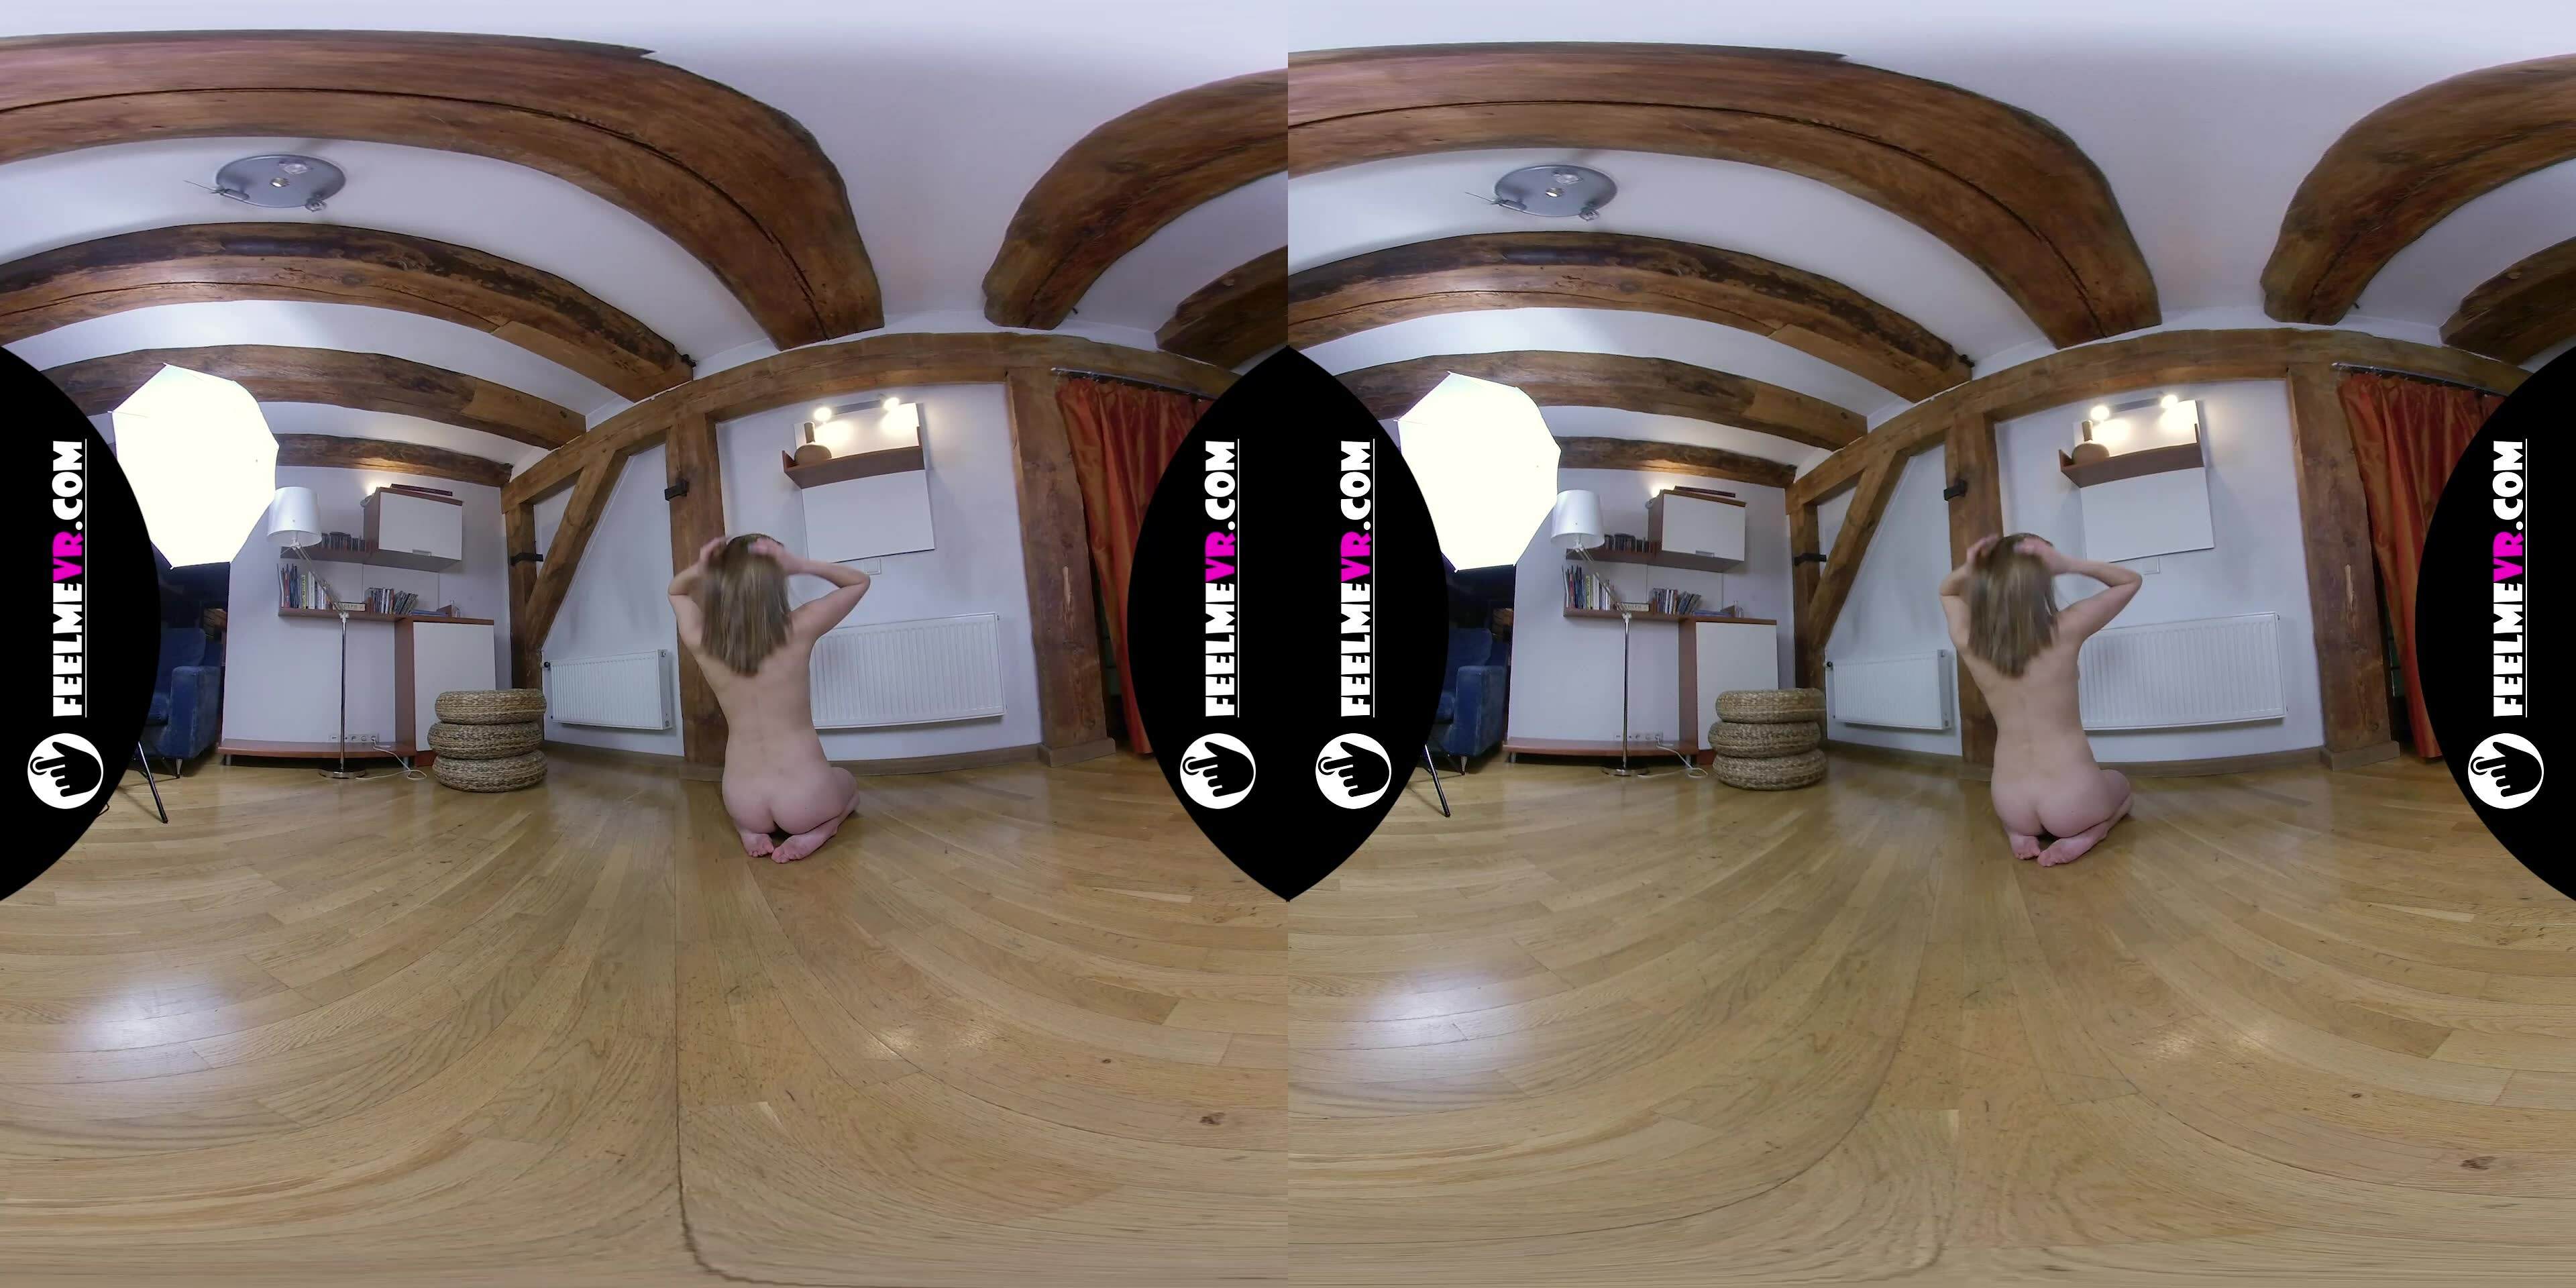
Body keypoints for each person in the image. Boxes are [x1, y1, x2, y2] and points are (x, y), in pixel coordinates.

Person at [1939, 533, 2143, 867]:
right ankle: (2094, 831)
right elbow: (2130, 581)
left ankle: (2018, 833)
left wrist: (1971, 568)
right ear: (2044, 580)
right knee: (2121, 785)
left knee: (2024, 809)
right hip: (2073, 801)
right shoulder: (2066, 629)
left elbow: (1947, 592)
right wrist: (2070, 564)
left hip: (2010, 803)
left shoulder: (1970, 642)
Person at [669, 535, 871, 862]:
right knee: (847, 782)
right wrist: (800, 565)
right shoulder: (799, 627)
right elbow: (859, 582)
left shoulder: (703, 640)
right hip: (805, 800)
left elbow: (676, 592)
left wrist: (703, 568)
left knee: (749, 808)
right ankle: (822, 828)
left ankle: (749, 830)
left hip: (742, 801)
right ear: (777, 580)